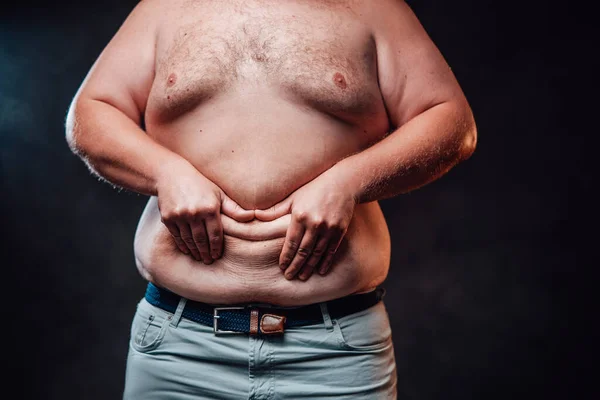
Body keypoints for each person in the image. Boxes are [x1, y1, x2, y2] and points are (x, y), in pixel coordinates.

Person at [66, 0, 476, 398]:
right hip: (179, 347)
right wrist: (166, 173)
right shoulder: (164, 8)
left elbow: (452, 122)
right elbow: (90, 113)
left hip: (335, 355)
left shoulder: (374, 9)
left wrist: (346, 183)